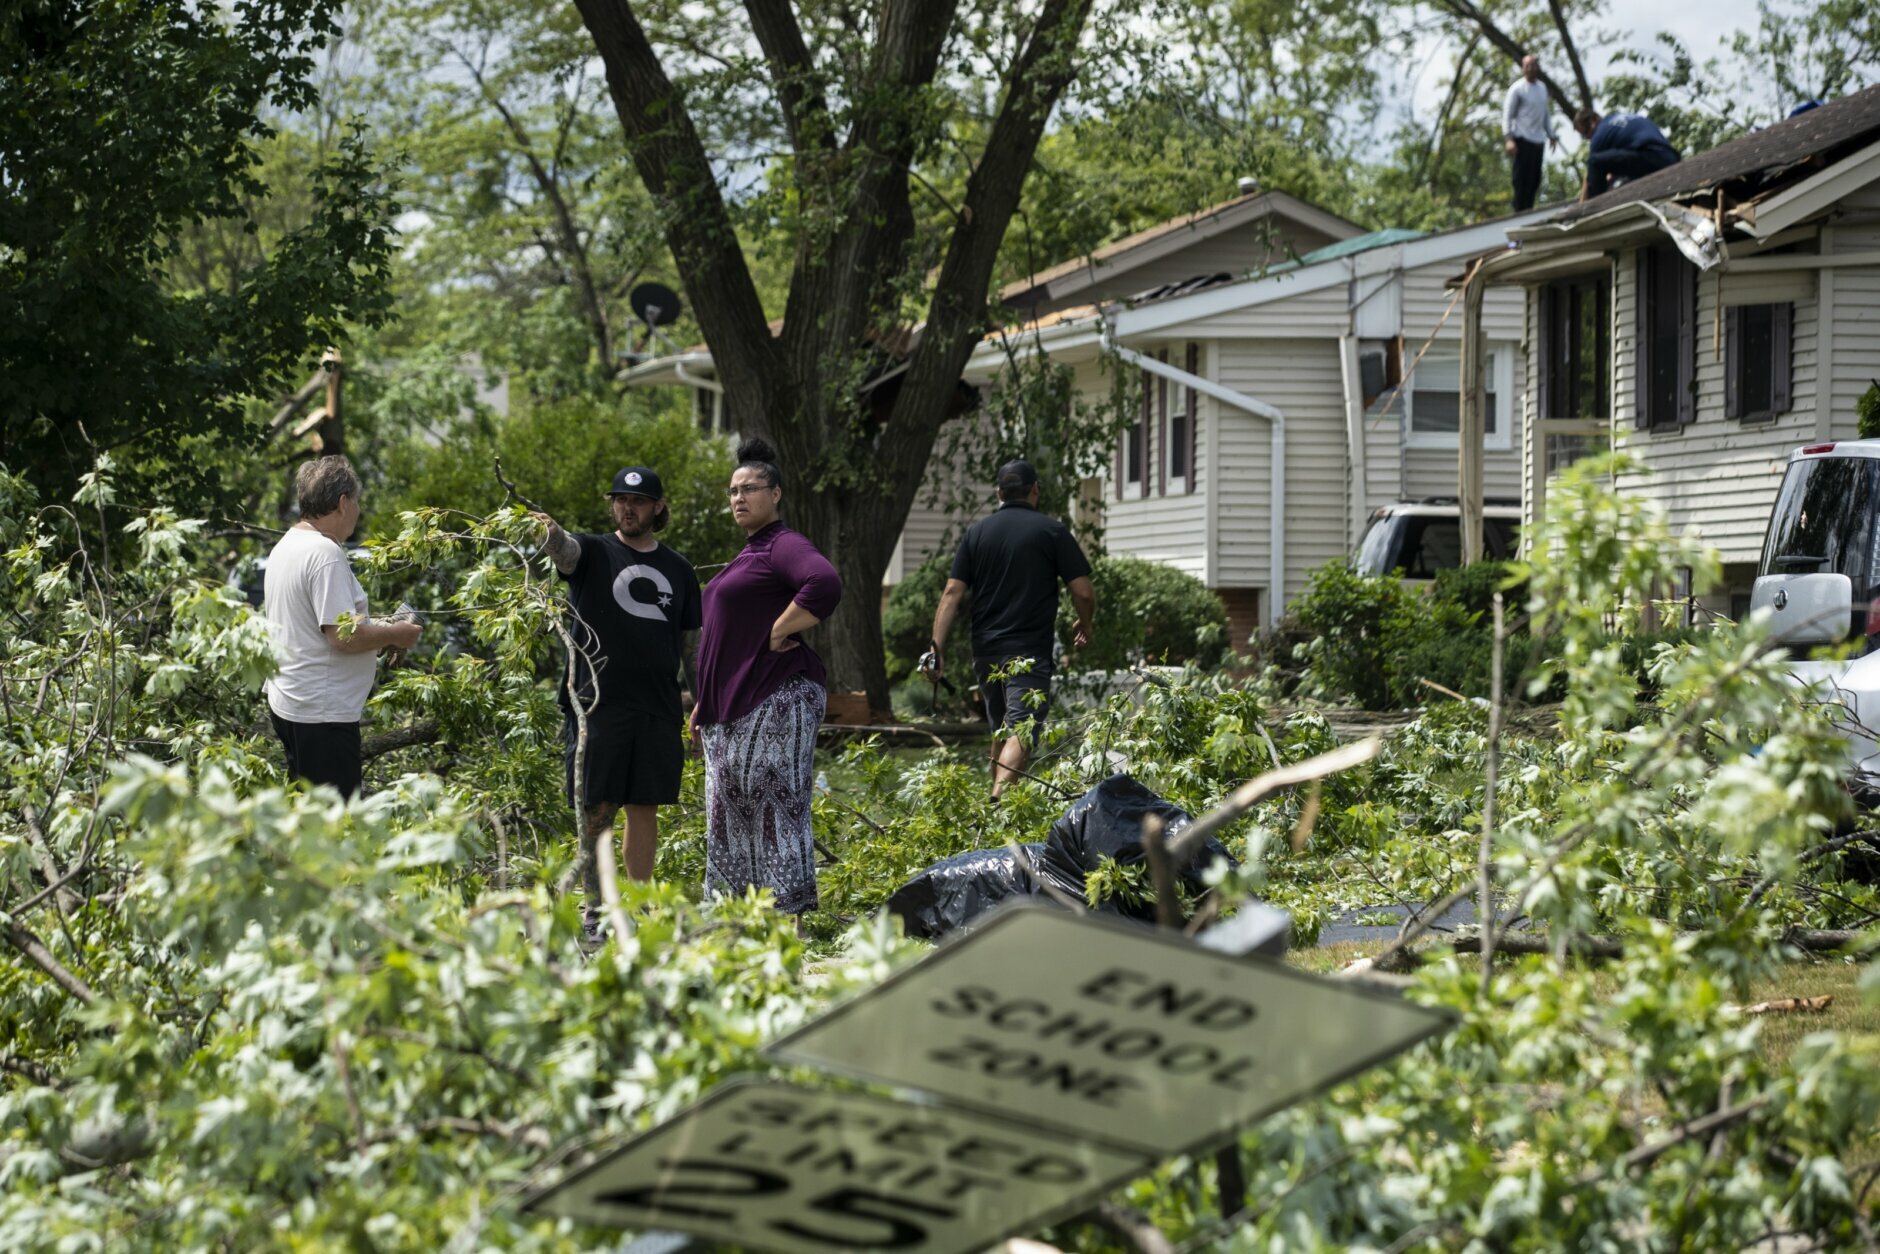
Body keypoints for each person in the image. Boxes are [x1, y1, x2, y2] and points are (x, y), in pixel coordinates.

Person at [535, 468, 701, 934]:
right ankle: (597, 909)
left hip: (657, 706)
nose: (628, 508)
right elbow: (565, 552)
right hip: (598, 704)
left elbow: (691, 645)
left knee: (644, 808)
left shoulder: (679, 569)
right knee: (597, 808)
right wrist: (549, 532)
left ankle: (637, 904)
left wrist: (701, 702)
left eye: (639, 500)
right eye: (621, 499)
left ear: (657, 507)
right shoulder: (592, 551)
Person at [691, 438, 842, 924]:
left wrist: (780, 629)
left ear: (775, 494)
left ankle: (786, 923)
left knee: (777, 809)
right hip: (732, 706)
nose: (738, 498)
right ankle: (738, 922)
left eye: (749, 489)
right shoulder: (750, 553)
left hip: (776, 697)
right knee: (729, 817)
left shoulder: (782, 544)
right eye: (733, 490)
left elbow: (824, 582)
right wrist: (705, 702)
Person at [925, 460, 1095, 799]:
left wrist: (935, 649)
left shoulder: (976, 533)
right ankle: (998, 803)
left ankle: (995, 816)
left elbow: (951, 593)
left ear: (999, 493)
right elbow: (1084, 592)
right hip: (1028, 651)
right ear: (1035, 490)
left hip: (985, 651)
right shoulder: (1052, 531)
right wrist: (1085, 622)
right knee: (1022, 730)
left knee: (1002, 730)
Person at [262, 455, 421, 799]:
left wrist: (380, 628)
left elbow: (319, 624)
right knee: (337, 820)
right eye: (357, 502)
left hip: (293, 703)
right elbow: (342, 637)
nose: (358, 511)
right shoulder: (324, 554)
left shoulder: (288, 544)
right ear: (343, 503)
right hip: (322, 716)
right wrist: (397, 634)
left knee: (309, 813)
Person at [1574, 106, 1681, 201]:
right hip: (1670, 157)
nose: (1587, 138)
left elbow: (1590, 178)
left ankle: (1595, 207)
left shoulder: (1599, 135)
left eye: (1586, 132)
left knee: (1594, 161)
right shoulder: (1618, 119)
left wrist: (1584, 204)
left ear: (1594, 119)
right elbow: (1622, 161)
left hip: (1652, 157)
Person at [1503, 55, 1558, 212]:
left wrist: (1551, 135)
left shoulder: (1542, 88)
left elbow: (1545, 114)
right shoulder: (1517, 89)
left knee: (1534, 180)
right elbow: (1507, 114)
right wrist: (1509, 138)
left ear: (1537, 67)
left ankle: (1528, 211)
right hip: (1522, 139)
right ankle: (1518, 213)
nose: (1530, 68)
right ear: (1523, 68)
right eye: (1527, 66)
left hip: (1538, 141)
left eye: (1533, 65)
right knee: (1520, 180)